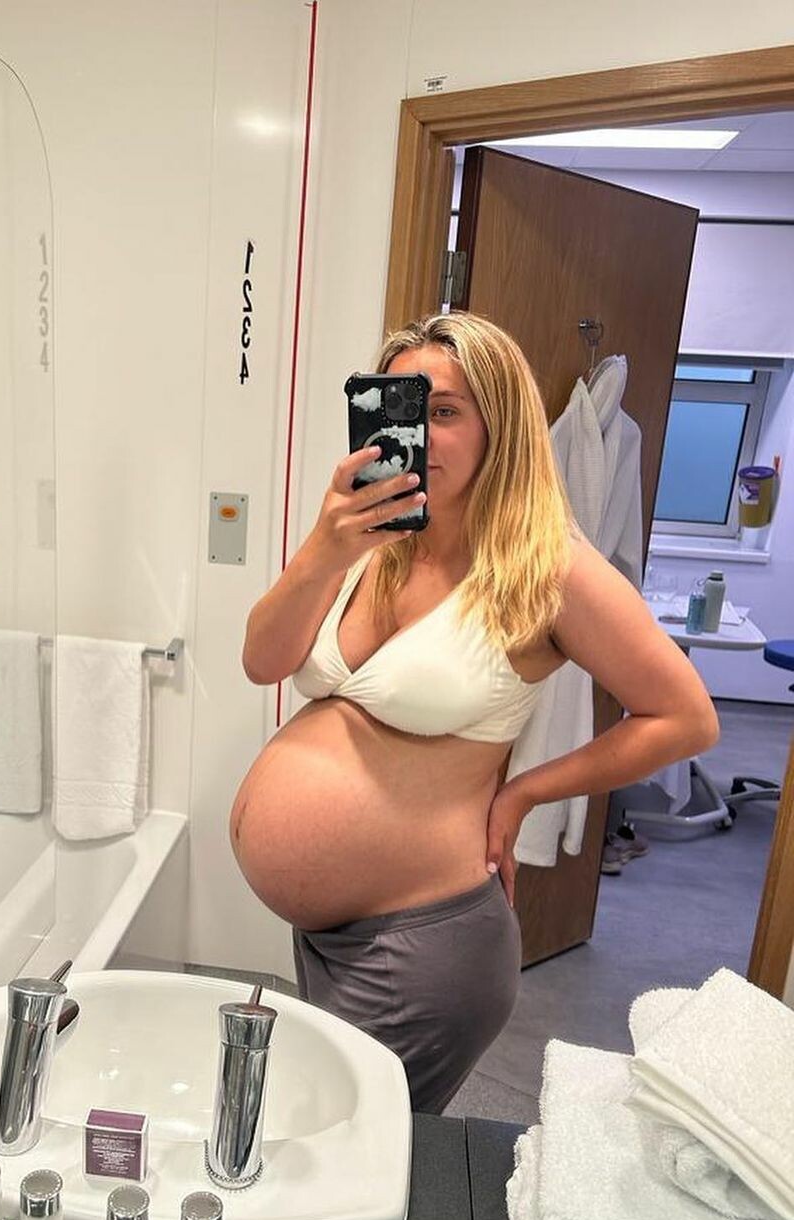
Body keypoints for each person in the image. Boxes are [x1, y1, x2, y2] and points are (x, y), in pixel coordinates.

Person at [229, 311, 718, 1114]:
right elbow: (262, 661)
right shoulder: (371, 539)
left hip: (423, 948)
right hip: (330, 936)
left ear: (501, 424)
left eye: (446, 410)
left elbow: (686, 716)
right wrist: (326, 547)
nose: (418, 431)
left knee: (335, 1152)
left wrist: (525, 792)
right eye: (400, 406)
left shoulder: (548, 567)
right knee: (324, 1146)